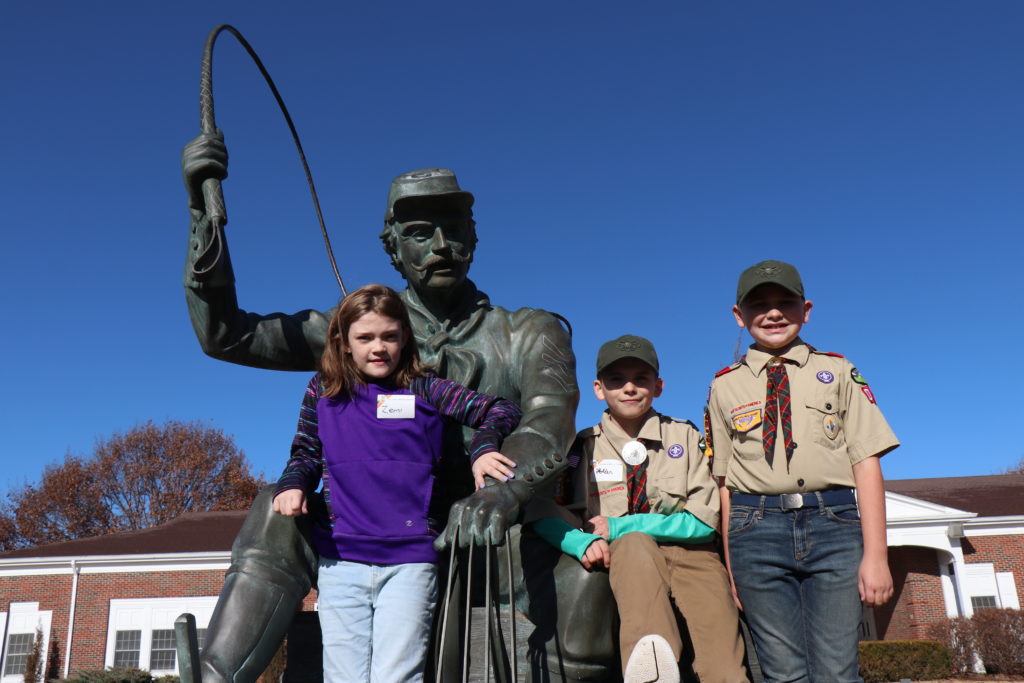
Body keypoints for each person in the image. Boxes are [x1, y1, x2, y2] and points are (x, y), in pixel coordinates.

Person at [181, 134, 619, 682]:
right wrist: (205, 218)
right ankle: (213, 678)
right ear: (392, 248)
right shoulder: (359, 327)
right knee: (277, 510)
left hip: (490, 531)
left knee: (584, 584)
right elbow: (226, 335)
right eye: (418, 233)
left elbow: (548, 419)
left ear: (473, 239)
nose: (439, 245)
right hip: (370, 529)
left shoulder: (531, 332)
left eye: (452, 230)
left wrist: (504, 492)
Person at [271, 284, 521, 682]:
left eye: (389, 336)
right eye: (365, 337)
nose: (378, 347)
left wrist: (484, 448)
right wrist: (292, 484)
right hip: (341, 561)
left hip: (411, 561)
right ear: (343, 341)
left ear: (405, 338)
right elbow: (305, 450)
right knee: (344, 677)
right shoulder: (323, 389)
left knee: (397, 676)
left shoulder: (425, 388)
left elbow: (501, 408)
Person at [705, 260, 899, 682]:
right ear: (739, 316)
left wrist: (877, 555)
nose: (773, 313)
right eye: (759, 305)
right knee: (782, 672)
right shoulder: (723, 386)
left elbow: (866, 462)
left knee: (837, 669)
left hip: (834, 523)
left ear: (806, 309)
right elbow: (723, 482)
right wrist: (732, 565)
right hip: (753, 531)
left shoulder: (840, 371)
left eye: (784, 302)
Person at [528, 335, 749, 683]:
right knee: (634, 544)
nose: (629, 388)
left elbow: (705, 520)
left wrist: (621, 526)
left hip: (694, 557)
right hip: (625, 558)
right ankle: (652, 665)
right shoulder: (579, 447)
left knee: (724, 667)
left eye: (641, 379)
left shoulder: (686, 437)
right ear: (599, 389)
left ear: (658, 386)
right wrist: (580, 542)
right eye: (617, 380)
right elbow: (542, 510)